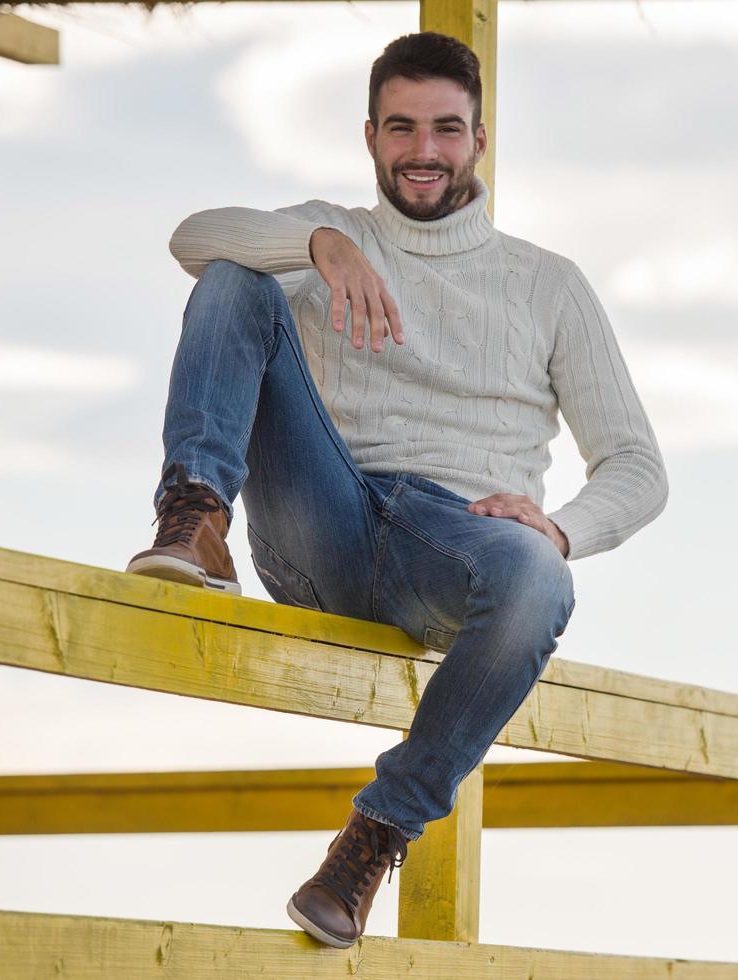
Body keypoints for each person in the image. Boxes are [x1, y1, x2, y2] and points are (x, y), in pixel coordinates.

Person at [124, 31, 667, 948]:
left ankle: (373, 838)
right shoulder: (324, 234)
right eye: (402, 128)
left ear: (479, 142)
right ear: (371, 135)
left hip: (450, 546)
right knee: (231, 279)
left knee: (538, 577)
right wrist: (322, 243)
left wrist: (562, 528)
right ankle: (195, 518)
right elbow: (193, 239)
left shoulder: (549, 286)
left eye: (446, 130)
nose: (424, 152)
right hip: (321, 515)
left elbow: (638, 469)